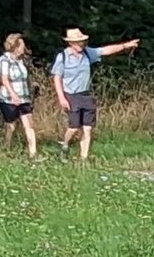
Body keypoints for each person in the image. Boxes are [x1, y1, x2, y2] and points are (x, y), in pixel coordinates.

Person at [50, 27, 141, 160]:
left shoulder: (88, 53)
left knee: (87, 128)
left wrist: (124, 46)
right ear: (70, 43)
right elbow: (57, 78)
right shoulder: (63, 57)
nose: (81, 44)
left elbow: (105, 51)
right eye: (78, 42)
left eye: (82, 41)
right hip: (71, 95)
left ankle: (83, 158)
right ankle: (65, 145)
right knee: (74, 128)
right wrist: (61, 98)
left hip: (85, 95)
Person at [0, 33, 38, 157]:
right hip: (8, 98)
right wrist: (13, 95)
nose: (24, 48)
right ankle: (7, 148)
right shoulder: (5, 60)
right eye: (22, 45)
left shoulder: (21, 61)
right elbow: (4, 79)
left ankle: (33, 153)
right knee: (11, 125)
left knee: (29, 124)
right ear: (15, 46)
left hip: (24, 97)